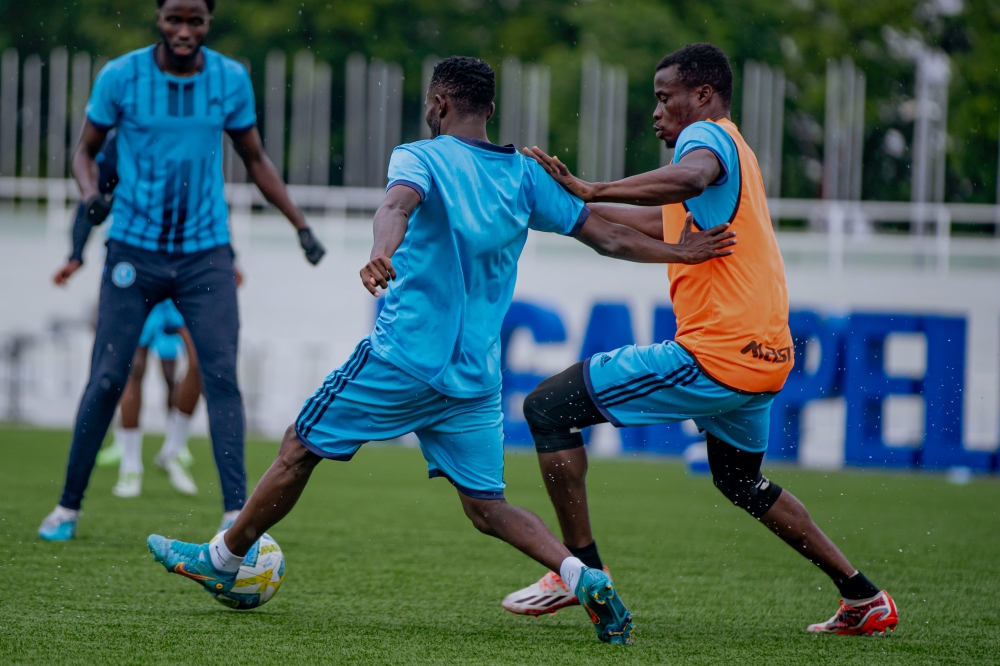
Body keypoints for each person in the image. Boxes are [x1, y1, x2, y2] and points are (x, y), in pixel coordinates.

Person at [146, 55, 735, 645]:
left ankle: (222, 560)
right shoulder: (525, 174)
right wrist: (680, 253)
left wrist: (381, 250)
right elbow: (607, 236)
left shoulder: (419, 156)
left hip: (403, 358)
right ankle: (582, 576)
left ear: (438, 105)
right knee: (488, 507)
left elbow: (396, 206)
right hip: (473, 378)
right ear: (491, 109)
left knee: (300, 446)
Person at [500, 43, 899, 637]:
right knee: (741, 481)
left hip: (718, 354)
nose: (657, 112)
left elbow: (685, 175)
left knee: (546, 407)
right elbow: (630, 227)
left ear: (703, 96)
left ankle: (577, 570)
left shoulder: (705, 140)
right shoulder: (733, 161)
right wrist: (562, 205)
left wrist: (592, 187)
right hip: (766, 359)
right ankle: (863, 597)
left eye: (665, 98)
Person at [38, 0, 326, 542]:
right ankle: (67, 508)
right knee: (106, 377)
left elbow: (255, 159)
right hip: (133, 252)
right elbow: (86, 152)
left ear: (209, 22)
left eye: (196, 21)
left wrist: (299, 225)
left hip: (205, 256)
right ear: (159, 18)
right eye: (175, 19)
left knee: (220, 375)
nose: (185, 31)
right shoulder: (120, 76)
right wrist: (87, 195)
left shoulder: (229, 78)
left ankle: (234, 515)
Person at [96, 298, 204, 498]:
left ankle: (173, 450)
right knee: (134, 369)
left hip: (181, 292)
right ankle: (130, 466)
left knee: (198, 363)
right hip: (147, 292)